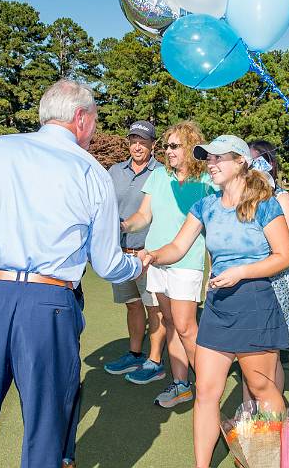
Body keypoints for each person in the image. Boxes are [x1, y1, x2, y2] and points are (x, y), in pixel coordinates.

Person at [0, 79, 143, 468]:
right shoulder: (90, 170)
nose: (94, 129)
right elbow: (109, 263)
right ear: (80, 118)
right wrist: (140, 262)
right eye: (94, 120)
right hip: (48, 302)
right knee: (47, 425)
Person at [141, 135, 289, 467]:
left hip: (254, 303)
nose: (211, 164)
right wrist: (152, 254)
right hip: (217, 308)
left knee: (262, 389)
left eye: (218, 158)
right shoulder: (206, 206)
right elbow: (178, 248)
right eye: (208, 159)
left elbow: (285, 255)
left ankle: (268, 460)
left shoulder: (265, 204)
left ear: (240, 161)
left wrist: (241, 272)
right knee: (206, 393)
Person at [122, 121, 216, 408]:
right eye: (166, 145)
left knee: (187, 327)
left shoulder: (207, 182)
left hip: (186, 262)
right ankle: (181, 385)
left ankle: (209, 388)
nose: (168, 151)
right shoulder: (160, 176)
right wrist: (123, 225)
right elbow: (143, 216)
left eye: (174, 146)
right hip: (155, 261)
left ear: (190, 147)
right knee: (170, 323)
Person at [103, 121, 166, 385]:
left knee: (155, 309)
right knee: (133, 306)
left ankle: (155, 362)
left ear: (153, 145)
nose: (137, 146)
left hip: (148, 253)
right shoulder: (115, 171)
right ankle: (134, 353)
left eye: (143, 141)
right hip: (121, 253)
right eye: (133, 140)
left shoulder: (162, 172)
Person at [241, 140, 289, 401]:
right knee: (247, 355)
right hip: (245, 285)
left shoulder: (281, 198)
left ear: (269, 164)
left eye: (255, 161)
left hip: (274, 285)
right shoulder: (241, 199)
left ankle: (271, 418)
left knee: (271, 356)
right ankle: (249, 420)